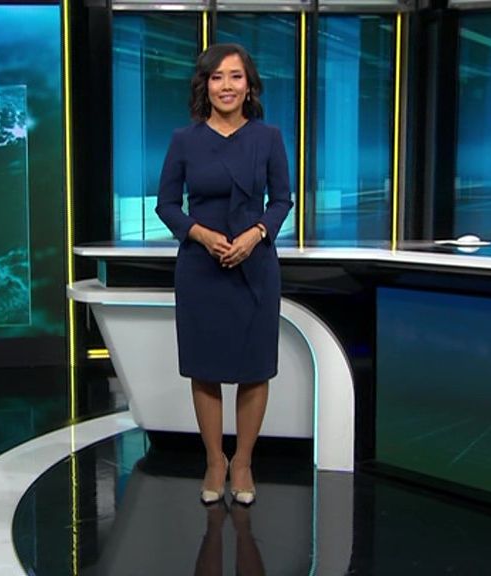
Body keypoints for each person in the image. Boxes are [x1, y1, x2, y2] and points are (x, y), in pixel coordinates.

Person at [155, 43, 292, 506]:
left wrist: (256, 234)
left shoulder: (268, 138)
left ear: (249, 86)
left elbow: (282, 200)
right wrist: (199, 234)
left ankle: (244, 462)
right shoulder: (184, 140)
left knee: (255, 369)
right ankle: (215, 460)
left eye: (235, 76)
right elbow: (166, 204)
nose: (226, 86)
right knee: (205, 367)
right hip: (201, 267)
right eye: (217, 77)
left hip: (255, 264)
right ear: (206, 86)